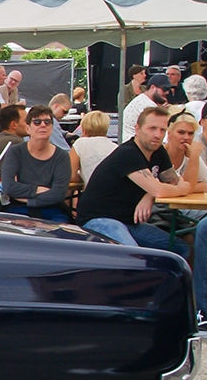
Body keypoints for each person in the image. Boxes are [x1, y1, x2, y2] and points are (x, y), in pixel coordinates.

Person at [77, 105, 195, 249]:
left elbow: (172, 182)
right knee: (132, 254)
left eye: (162, 130)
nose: (157, 135)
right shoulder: (128, 153)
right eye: (152, 128)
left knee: (181, 248)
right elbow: (165, 189)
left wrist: (149, 195)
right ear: (137, 129)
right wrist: (174, 189)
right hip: (99, 219)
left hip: (129, 222)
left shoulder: (158, 152)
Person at [0, 104, 71, 221]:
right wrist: (37, 189)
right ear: (28, 128)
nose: (43, 125)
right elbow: (9, 186)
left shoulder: (62, 156)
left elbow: (59, 193)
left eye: (47, 122)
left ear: (52, 127)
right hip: (18, 210)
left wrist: (29, 200)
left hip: (53, 211)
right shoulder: (15, 152)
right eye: (37, 122)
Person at [70, 110, 118, 185]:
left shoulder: (80, 144)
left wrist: (83, 177)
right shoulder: (115, 147)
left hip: (94, 193)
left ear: (84, 129)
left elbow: (70, 175)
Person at [121, 72, 170, 142]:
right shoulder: (147, 105)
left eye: (168, 90)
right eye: (164, 89)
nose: (167, 92)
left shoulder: (143, 99)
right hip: (134, 145)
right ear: (152, 87)